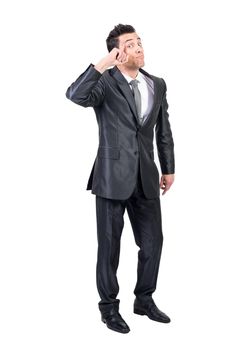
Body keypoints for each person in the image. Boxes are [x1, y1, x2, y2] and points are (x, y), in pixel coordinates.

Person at [66, 24, 175, 334]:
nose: (138, 46)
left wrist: (168, 168)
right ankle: (109, 309)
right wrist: (102, 65)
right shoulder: (105, 83)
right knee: (109, 247)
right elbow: (76, 95)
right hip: (112, 178)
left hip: (146, 177)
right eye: (130, 43)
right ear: (116, 51)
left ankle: (144, 300)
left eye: (139, 41)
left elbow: (163, 131)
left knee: (153, 243)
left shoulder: (158, 83)